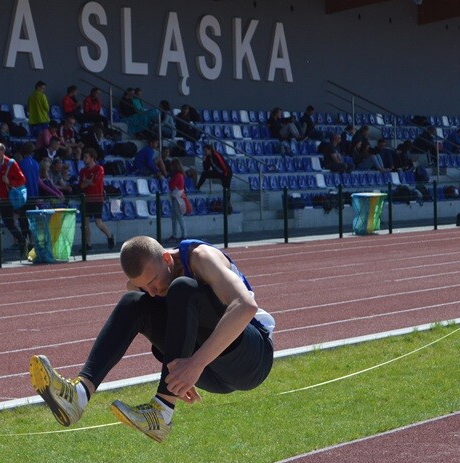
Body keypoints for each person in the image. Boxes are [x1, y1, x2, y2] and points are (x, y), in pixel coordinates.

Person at [28, 236, 275, 442]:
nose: (153, 291)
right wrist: (185, 368)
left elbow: (245, 306)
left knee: (183, 288)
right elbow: (151, 307)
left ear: (167, 258)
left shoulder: (200, 258)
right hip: (209, 372)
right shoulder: (147, 286)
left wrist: (195, 364)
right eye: (145, 286)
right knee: (133, 302)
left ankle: (163, 410)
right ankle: (79, 394)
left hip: (252, 359)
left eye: (153, 281)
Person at [0, 143, 30, 259]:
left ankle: (22, 241)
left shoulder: (11, 163)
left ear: (3, 151)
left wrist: (9, 182)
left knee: (10, 224)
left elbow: (22, 180)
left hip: (6, 200)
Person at [77, 148, 114, 251]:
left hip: (97, 198)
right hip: (86, 199)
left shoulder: (99, 169)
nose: (84, 159)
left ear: (92, 158)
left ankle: (110, 236)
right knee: (85, 224)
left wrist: (87, 181)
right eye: (84, 157)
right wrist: (88, 181)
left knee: (98, 222)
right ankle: (88, 244)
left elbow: (94, 182)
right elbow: (81, 185)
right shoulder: (83, 171)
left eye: (86, 157)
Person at [167, 159, 187, 242]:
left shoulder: (177, 175)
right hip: (177, 196)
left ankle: (184, 235)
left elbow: (171, 185)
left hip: (177, 197)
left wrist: (169, 181)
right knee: (175, 217)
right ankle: (175, 234)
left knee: (178, 216)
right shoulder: (180, 175)